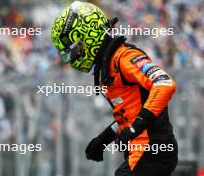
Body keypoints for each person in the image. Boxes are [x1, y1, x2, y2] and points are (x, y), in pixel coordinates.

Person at [51, 1, 178, 176]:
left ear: (88, 37)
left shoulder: (124, 57)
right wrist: (105, 138)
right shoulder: (109, 65)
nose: (72, 59)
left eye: (74, 51)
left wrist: (136, 127)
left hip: (152, 151)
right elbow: (131, 112)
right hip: (144, 153)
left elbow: (164, 84)